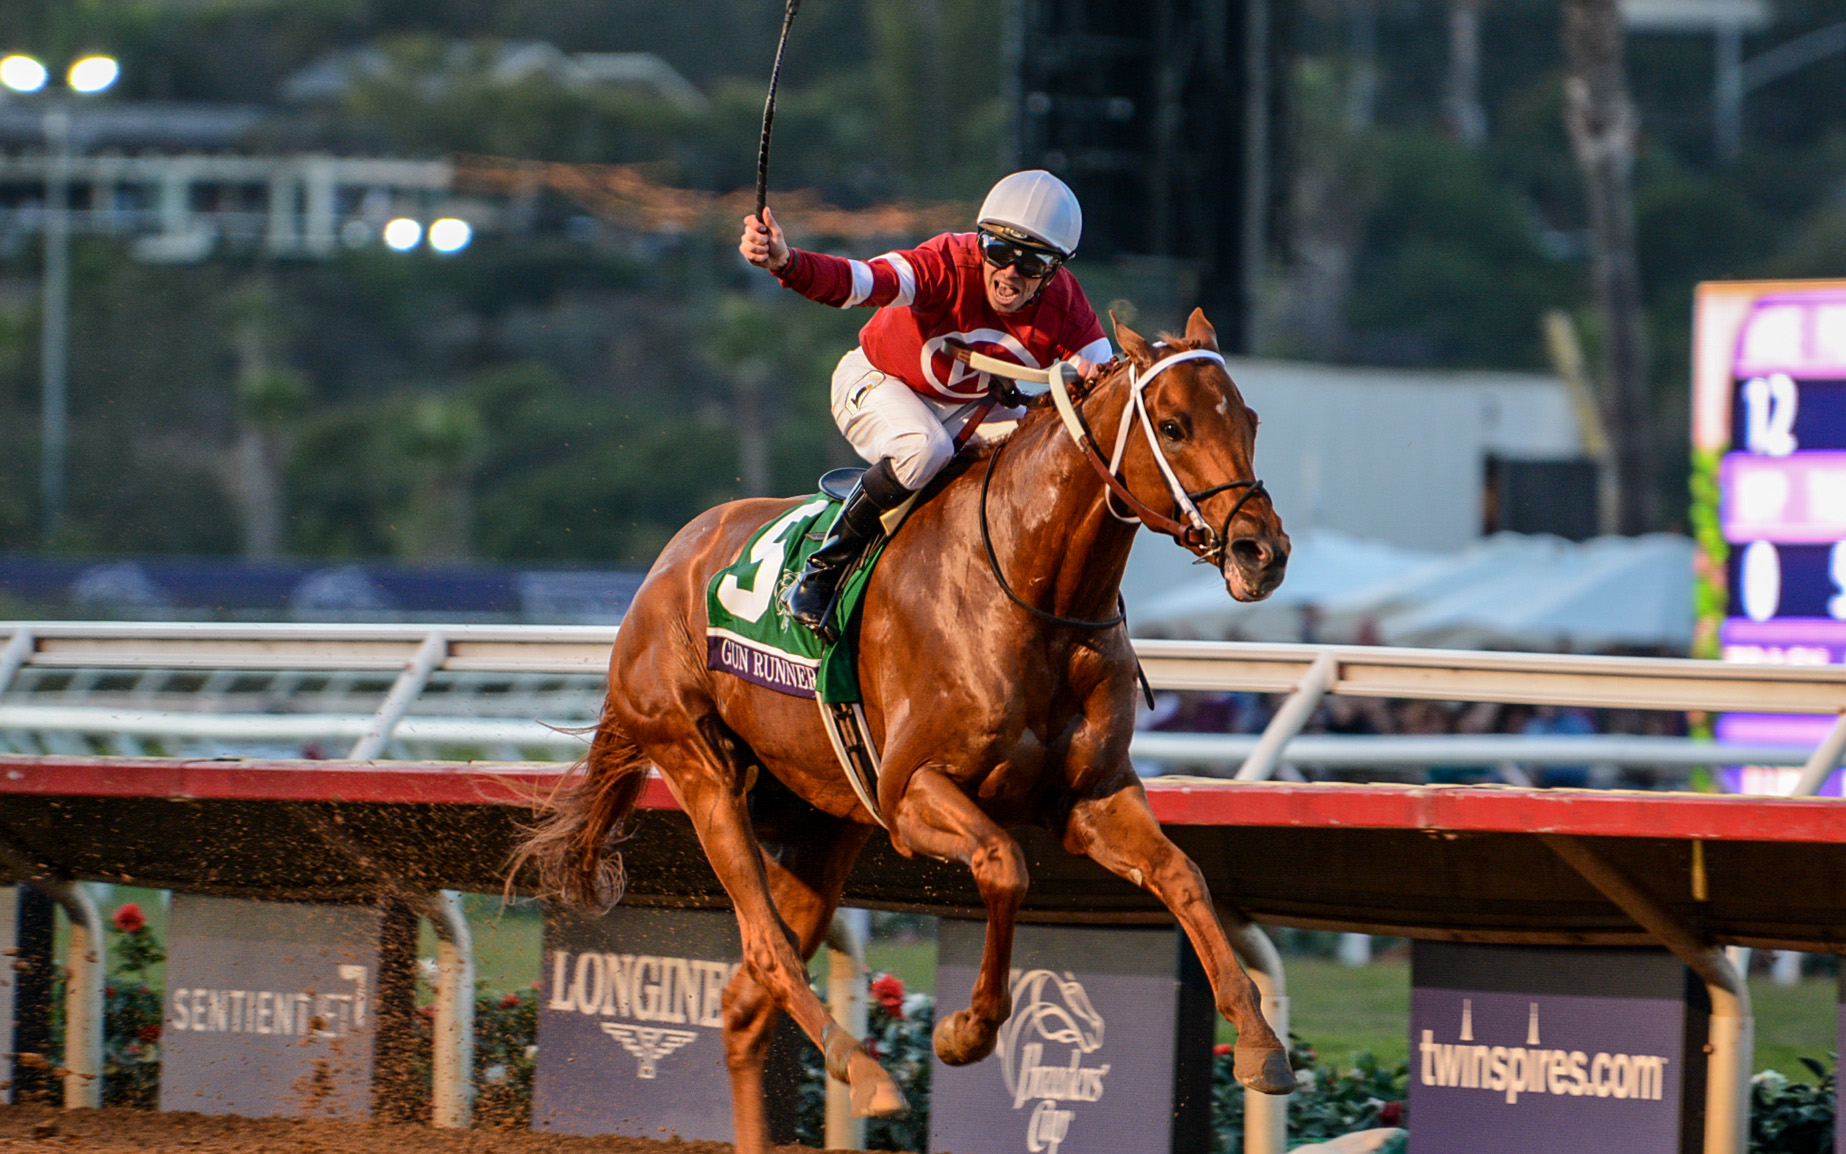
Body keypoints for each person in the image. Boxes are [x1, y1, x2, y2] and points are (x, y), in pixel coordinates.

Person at [738, 170, 1113, 637]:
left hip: (967, 409)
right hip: (880, 381)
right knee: (925, 449)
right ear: (980, 243)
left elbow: (1111, 386)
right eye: (998, 252)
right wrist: (786, 261)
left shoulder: (1067, 306)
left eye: (1032, 262)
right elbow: (861, 281)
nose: (1011, 273)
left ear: (1055, 269)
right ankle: (821, 572)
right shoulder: (946, 263)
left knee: (1043, 457)